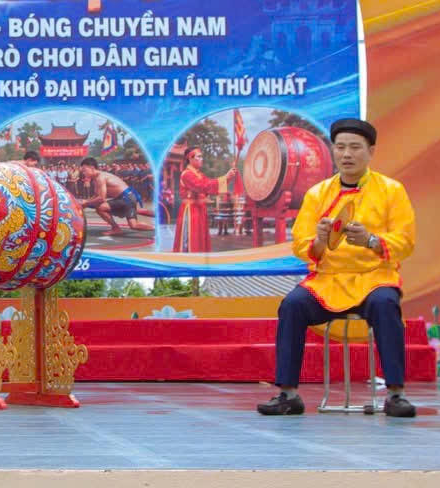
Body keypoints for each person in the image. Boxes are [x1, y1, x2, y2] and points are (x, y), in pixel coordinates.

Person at [258, 119, 418, 419]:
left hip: (374, 278)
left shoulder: (392, 190)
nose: (347, 154)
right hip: (328, 280)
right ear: (333, 150)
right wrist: (320, 240)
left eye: (355, 147)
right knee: (292, 305)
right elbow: (301, 244)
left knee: (386, 305)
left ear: (371, 151)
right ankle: (288, 393)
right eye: (341, 147)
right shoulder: (318, 193)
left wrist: (371, 240)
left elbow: (405, 241)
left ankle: (396, 394)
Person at [173, 145, 233, 253]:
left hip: (199, 209)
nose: (202, 159)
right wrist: (224, 178)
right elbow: (202, 186)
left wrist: (227, 179)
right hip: (191, 210)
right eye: (199, 156)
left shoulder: (199, 174)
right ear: (190, 158)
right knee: (190, 240)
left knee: (200, 240)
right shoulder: (187, 174)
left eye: (202, 156)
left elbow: (210, 187)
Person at [78, 157, 145, 234]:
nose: (83, 173)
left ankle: (116, 228)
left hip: (126, 198)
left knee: (100, 207)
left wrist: (86, 203)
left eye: (84, 170)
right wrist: (86, 203)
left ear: (92, 168)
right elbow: (96, 195)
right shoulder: (96, 179)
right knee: (134, 225)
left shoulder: (100, 177)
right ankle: (155, 223)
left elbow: (101, 198)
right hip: (126, 198)